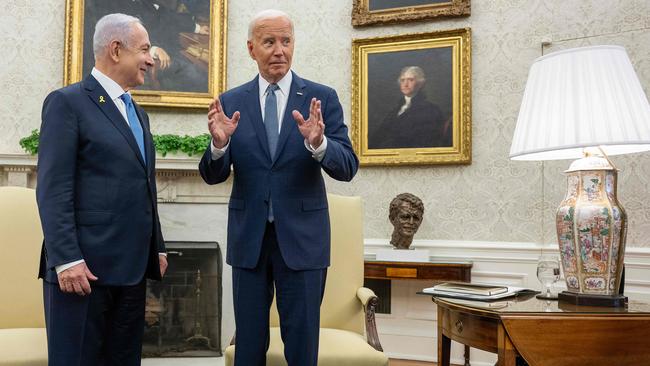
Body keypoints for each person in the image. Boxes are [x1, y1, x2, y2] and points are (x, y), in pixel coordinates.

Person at [198, 9, 358, 366]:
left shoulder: (321, 98)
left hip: (303, 241)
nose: (279, 50)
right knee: (248, 349)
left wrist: (319, 145)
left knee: (301, 348)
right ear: (252, 48)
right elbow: (211, 174)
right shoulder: (231, 102)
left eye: (286, 41)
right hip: (249, 241)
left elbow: (348, 167)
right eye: (269, 42)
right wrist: (220, 146)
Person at [36, 13, 167, 365]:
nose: (151, 59)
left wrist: (157, 246)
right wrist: (66, 259)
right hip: (82, 272)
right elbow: (52, 187)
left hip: (131, 271)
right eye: (143, 50)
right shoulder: (68, 103)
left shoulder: (137, 113)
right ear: (115, 49)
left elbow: (143, 185)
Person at [369, 66, 452, 149]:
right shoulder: (395, 110)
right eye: (402, 80)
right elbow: (379, 135)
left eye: (411, 80)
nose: (405, 84)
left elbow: (427, 141)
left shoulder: (431, 110)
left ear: (420, 84)